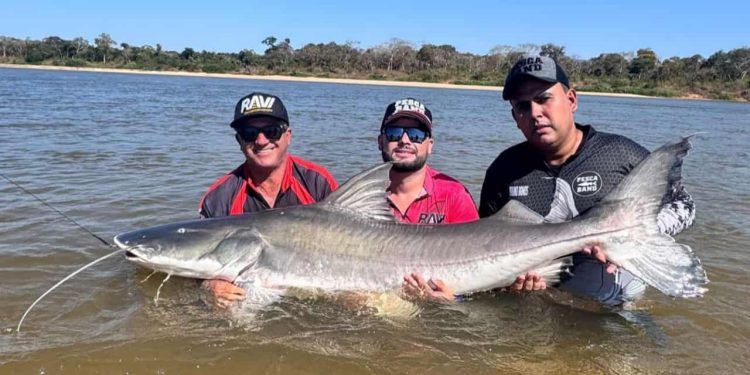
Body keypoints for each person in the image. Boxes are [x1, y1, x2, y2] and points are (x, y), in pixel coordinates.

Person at [410, 55, 695, 305]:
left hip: (617, 303)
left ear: (571, 100)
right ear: (515, 117)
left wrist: (627, 236)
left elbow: (685, 206)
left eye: (544, 98)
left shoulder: (620, 153)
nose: (535, 113)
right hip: (539, 303)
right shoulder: (503, 169)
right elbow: (482, 251)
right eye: (523, 106)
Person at [199, 92, 339, 307]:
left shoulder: (318, 182)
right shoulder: (219, 197)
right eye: (249, 133)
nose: (261, 140)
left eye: (271, 131)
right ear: (239, 140)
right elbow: (201, 260)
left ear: (288, 135)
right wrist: (209, 286)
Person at [378, 98, 479, 225]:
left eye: (416, 134)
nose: (404, 140)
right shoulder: (359, 196)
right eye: (394, 132)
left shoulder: (455, 196)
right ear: (381, 142)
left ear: (430, 145)